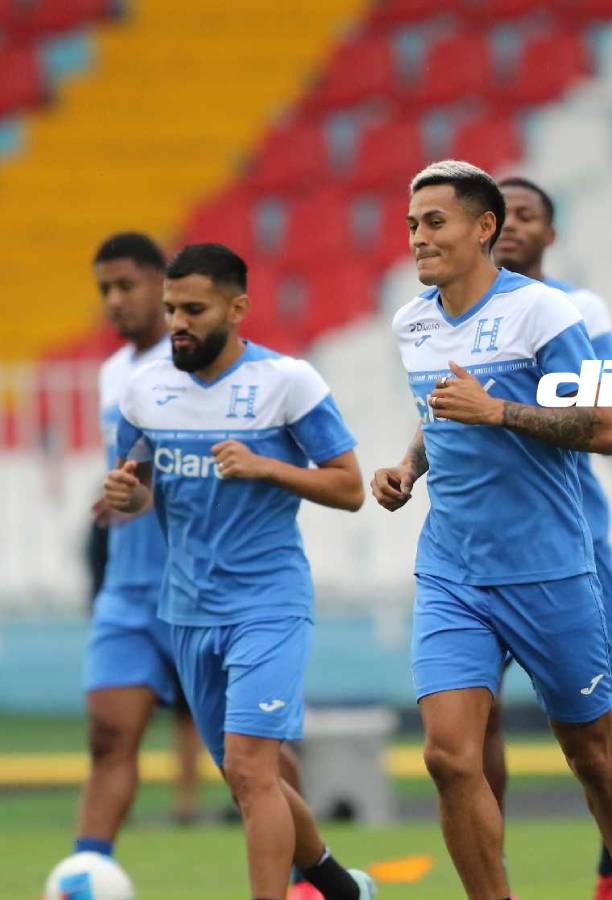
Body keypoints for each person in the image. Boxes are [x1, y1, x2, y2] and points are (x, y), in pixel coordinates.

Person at [372, 160, 612, 900]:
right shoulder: (413, 322)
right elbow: (443, 414)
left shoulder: (546, 315)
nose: (418, 239)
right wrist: (408, 466)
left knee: (593, 755)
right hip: (452, 572)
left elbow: (603, 426)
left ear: (484, 227)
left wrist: (497, 410)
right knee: (448, 757)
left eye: (434, 222)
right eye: (411, 225)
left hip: (549, 569)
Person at [103, 243, 375, 900]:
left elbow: (349, 487)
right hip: (188, 610)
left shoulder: (288, 383)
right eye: (170, 309)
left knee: (252, 769)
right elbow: (138, 486)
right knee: (247, 775)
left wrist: (265, 465)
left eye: (193, 308)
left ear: (238, 307)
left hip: (268, 605)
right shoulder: (143, 393)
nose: (177, 323)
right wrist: (127, 496)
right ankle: (340, 887)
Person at [487, 174, 612, 900]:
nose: (511, 224)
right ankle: (491, 871)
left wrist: (497, 402)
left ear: (551, 233)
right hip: (477, 544)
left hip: (567, 534)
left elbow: (597, 416)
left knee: (595, 727)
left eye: (527, 213)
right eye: (500, 213)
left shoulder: (580, 309)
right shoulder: (453, 314)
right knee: (468, 722)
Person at [78, 231, 204, 859]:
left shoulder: (199, 366)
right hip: (129, 588)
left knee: (249, 760)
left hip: (200, 585)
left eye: (127, 285)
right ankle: (87, 871)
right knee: (108, 737)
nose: (115, 300)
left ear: (164, 285)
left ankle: (319, 875)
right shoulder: (112, 373)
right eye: (105, 289)